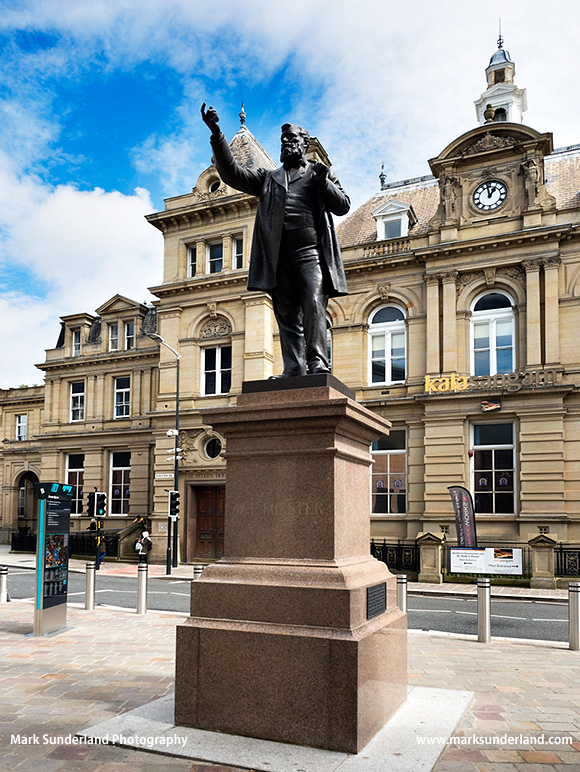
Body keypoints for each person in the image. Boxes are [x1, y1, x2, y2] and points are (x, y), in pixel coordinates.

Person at [201, 103, 350, 378]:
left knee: (314, 303)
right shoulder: (268, 178)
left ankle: (317, 361)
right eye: (283, 139)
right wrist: (216, 135)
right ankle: (294, 367)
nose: (286, 143)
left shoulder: (318, 173)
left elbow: (342, 206)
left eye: (291, 138)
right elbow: (232, 173)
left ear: (304, 143)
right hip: (278, 255)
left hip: (310, 252)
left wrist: (323, 183)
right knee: (286, 312)